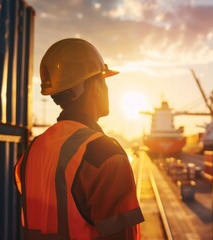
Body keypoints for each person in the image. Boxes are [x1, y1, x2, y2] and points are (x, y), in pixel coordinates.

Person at [14, 38, 144, 239]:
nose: (107, 89)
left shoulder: (32, 152)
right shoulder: (104, 154)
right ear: (94, 87)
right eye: (103, 80)